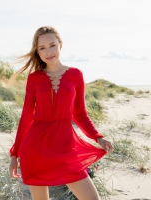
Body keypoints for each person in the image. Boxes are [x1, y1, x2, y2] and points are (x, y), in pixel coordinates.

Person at [9, 26, 113, 200]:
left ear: (60, 45)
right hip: (35, 148)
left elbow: (79, 113)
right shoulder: (34, 78)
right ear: (37, 51)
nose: (48, 52)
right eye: (42, 48)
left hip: (65, 145)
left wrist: (98, 137)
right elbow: (26, 116)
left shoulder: (75, 75)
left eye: (52, 45)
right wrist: (14, 154)